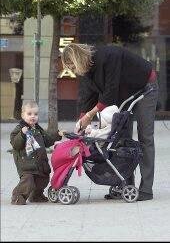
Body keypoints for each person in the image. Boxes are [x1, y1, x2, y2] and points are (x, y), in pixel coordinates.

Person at [61, 43, 159, 201]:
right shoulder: (87, 71)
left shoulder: (108, 55)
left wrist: (90, 115)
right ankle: (126, 185)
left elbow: (110, 92)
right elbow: (87, 98)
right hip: (124, 94)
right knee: (120, 139)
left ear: (78, 58)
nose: (72, 70)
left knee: (145, 137)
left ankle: (146, 189)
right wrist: (81, 122)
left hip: (144, 87)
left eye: (72, 65)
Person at [10, 100, 62, 205]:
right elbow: (15, 144)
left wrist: (58, 135)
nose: (33, 116)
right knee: (28, 181)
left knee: (43, 179)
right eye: (29, 114)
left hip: (40, 163)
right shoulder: (19, 129)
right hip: (26, 163)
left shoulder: (38, 129)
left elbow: (48, 140)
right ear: (23, 115)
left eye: (35, 114)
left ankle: (36, 195)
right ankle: (17, 196)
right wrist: (22, 134)